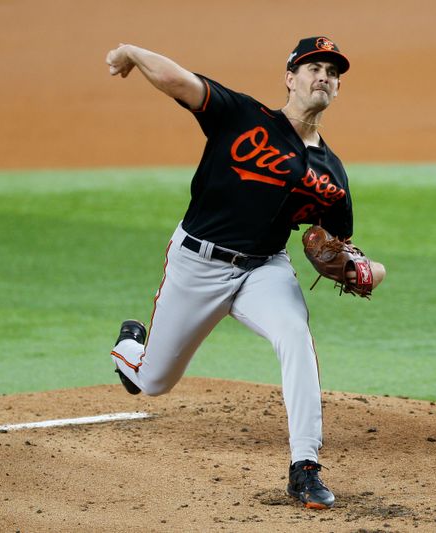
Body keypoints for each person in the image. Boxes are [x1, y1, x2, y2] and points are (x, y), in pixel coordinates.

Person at [105, 36, 386, 510]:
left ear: (337, 90)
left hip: (265, 270)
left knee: (294, 333)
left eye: (332, 73)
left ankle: (305, 467)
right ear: (290, 78)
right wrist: (132, 52)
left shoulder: (331, 175)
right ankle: (129, 346)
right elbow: (180, 81)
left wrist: (365, 273)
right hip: (197, 264)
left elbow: (357, 258)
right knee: (154, 382)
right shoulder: (242, 116)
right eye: (313, 67)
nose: (324, 77)